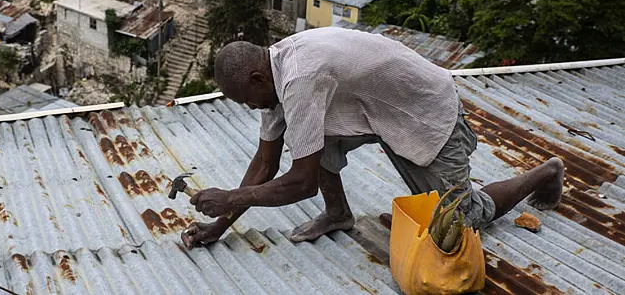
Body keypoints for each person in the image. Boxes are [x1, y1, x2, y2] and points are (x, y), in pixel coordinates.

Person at [182, 28, 565, 248]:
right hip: (377, 111)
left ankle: (545, 172)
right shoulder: (273, 72)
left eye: (246, 100)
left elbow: (302, 183)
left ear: (256, 80)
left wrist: (230, 198)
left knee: (465, 218)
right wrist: (218, 228)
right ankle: (338, 214)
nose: (251, 108)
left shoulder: (300, 79)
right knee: (311, 139)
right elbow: (265, 164)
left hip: (422, 109)